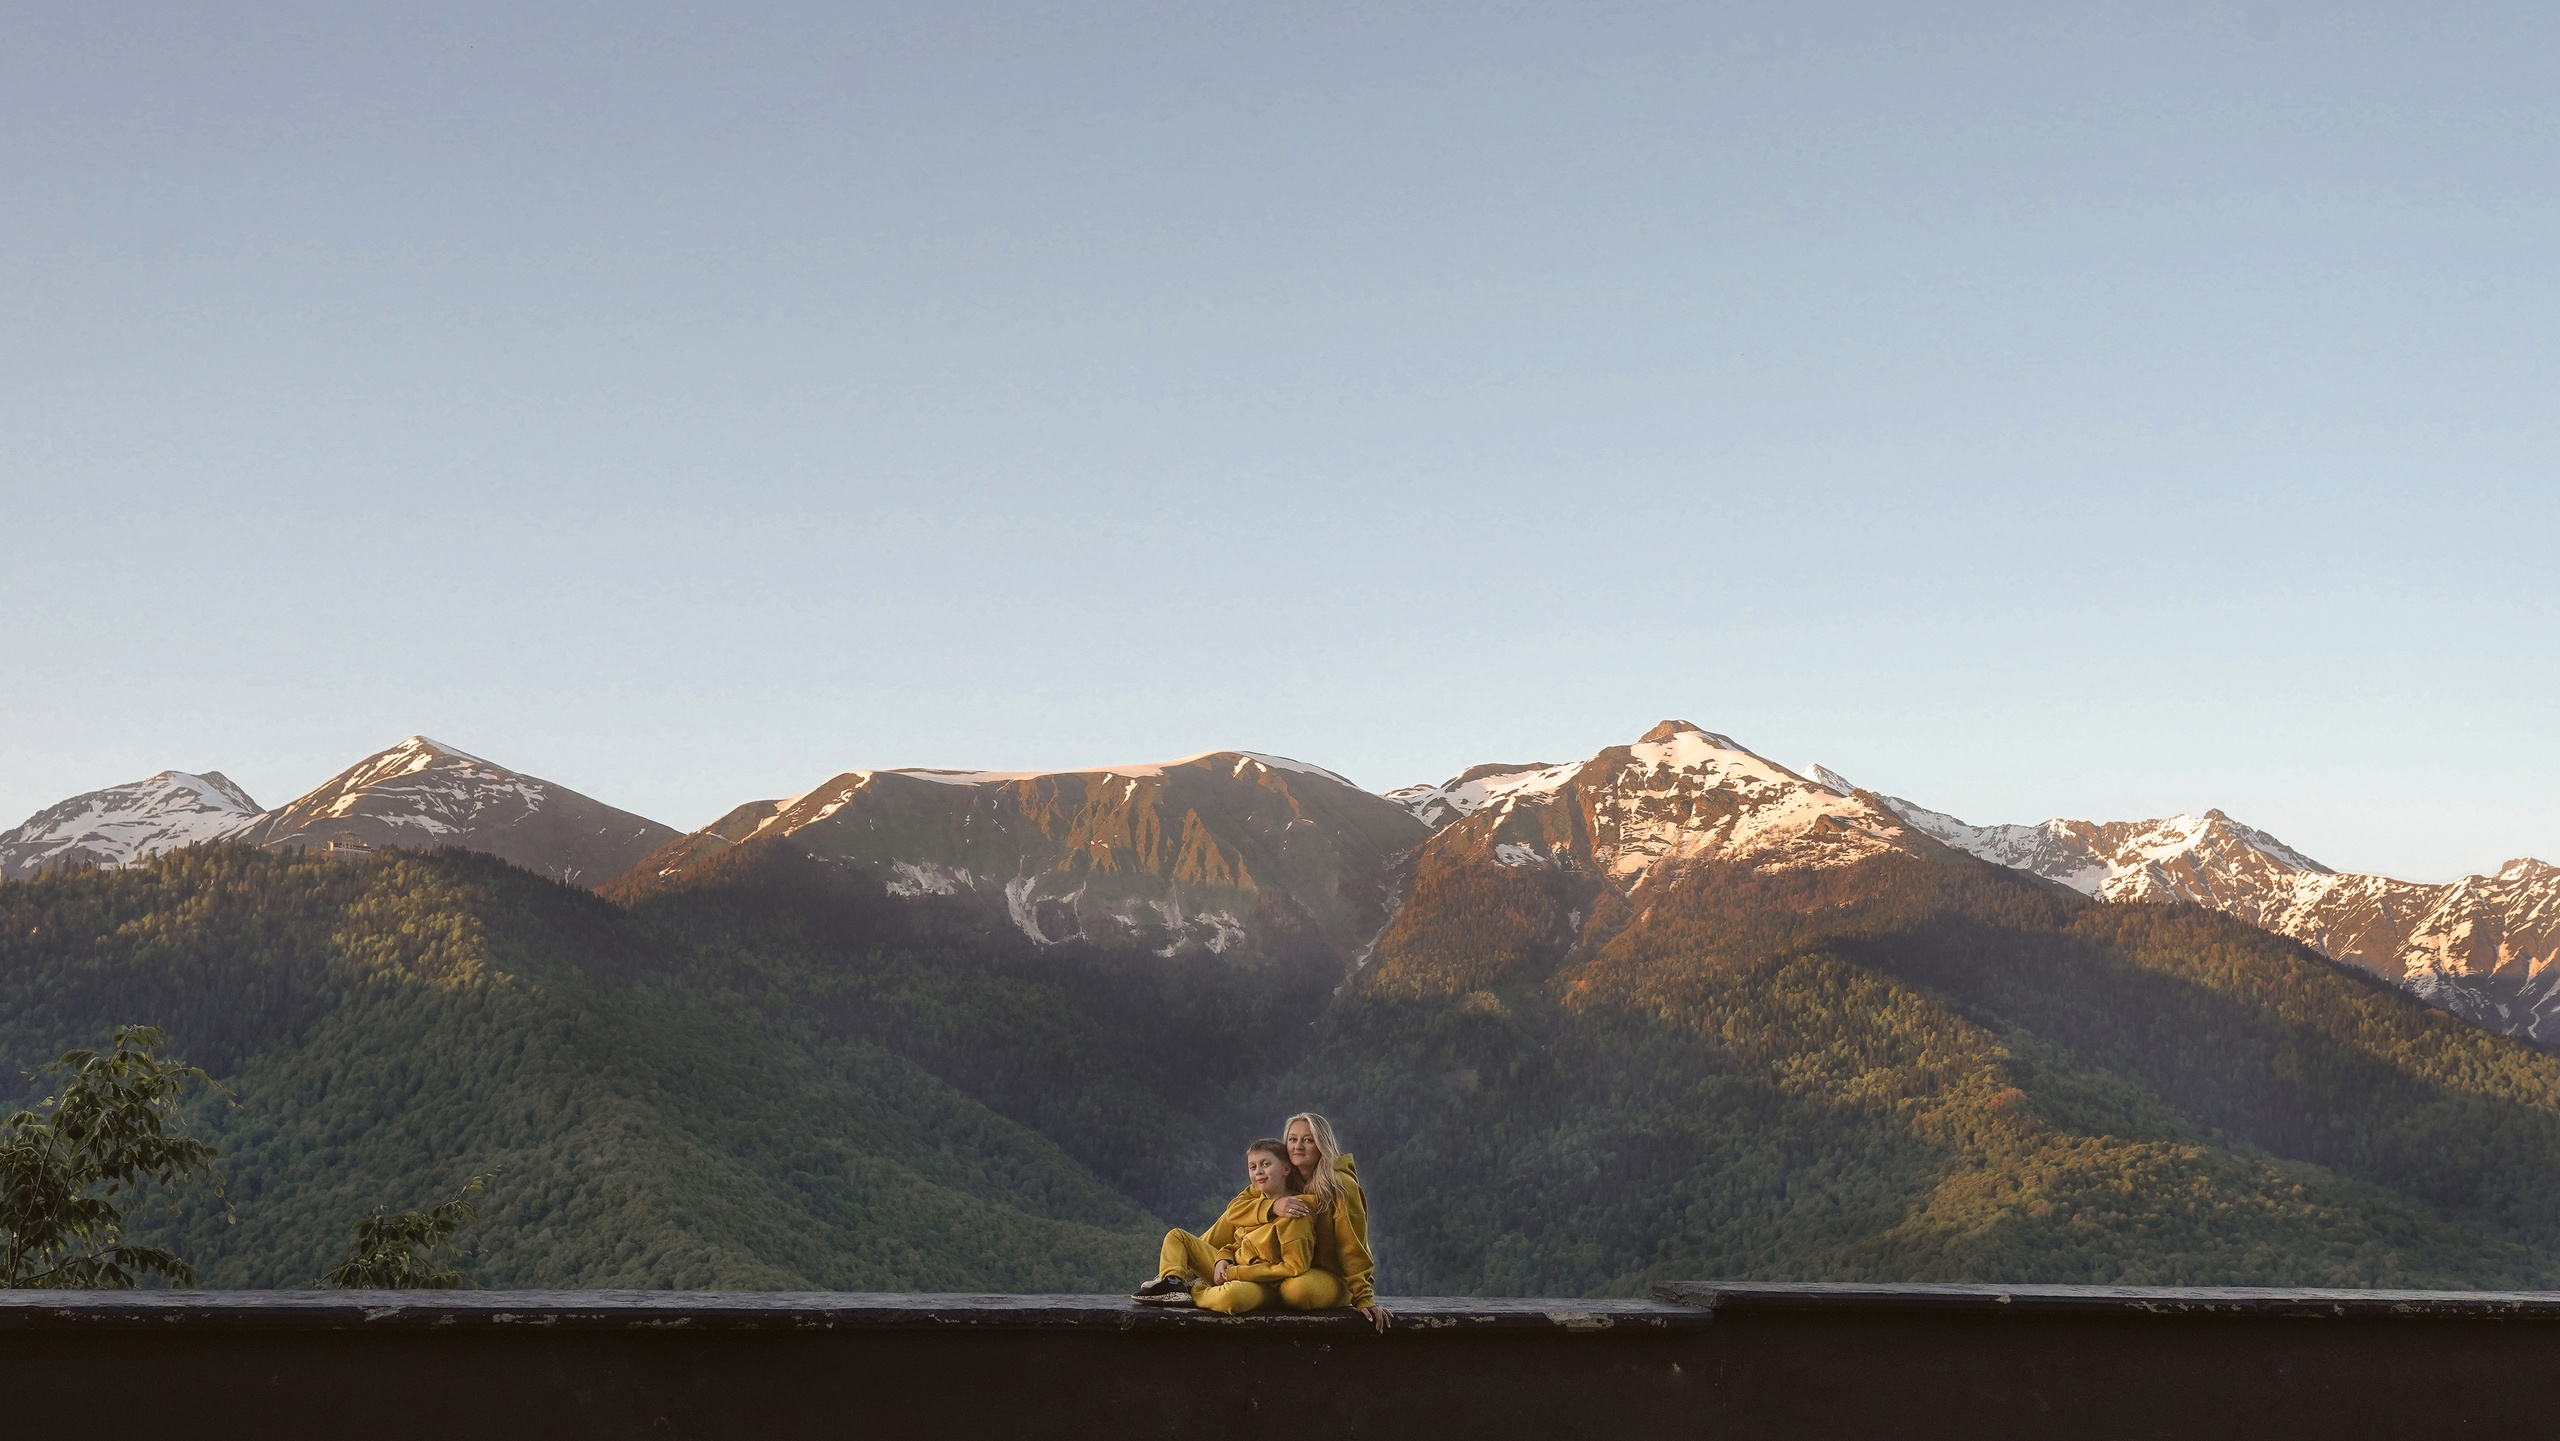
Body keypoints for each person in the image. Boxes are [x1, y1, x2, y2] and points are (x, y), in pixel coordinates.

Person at [1130, 1138, 1314, 1314]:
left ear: (1286, 1169)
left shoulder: (1295, 1211)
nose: (1258, 1171)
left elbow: (1292, 1267)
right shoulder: (1255, 1203)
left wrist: (1235, 1272)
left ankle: (1194, 1291)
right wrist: (1223, 1260)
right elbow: (1239, 1242)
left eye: (1266, 1164)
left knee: (1229, 1299)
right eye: (1252, 1167)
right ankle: (1173, 1283)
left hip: (1263, 1285)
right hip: (1231, 1270)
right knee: (1177, 1236)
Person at [1270, 1111, 1391, 1331]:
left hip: (1328, 1278)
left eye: (1308, 1140)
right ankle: (1191, 1266)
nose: (1298, 1146)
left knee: (1298, 1291)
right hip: (1283, 1268)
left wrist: (1363, 1297)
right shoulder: (1282, 1177)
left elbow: (1352, 1245)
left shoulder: (1341, 1186)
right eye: (1292, 1139)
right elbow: (1239, 1208)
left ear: (1322, 1144)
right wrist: (1270, 1206)